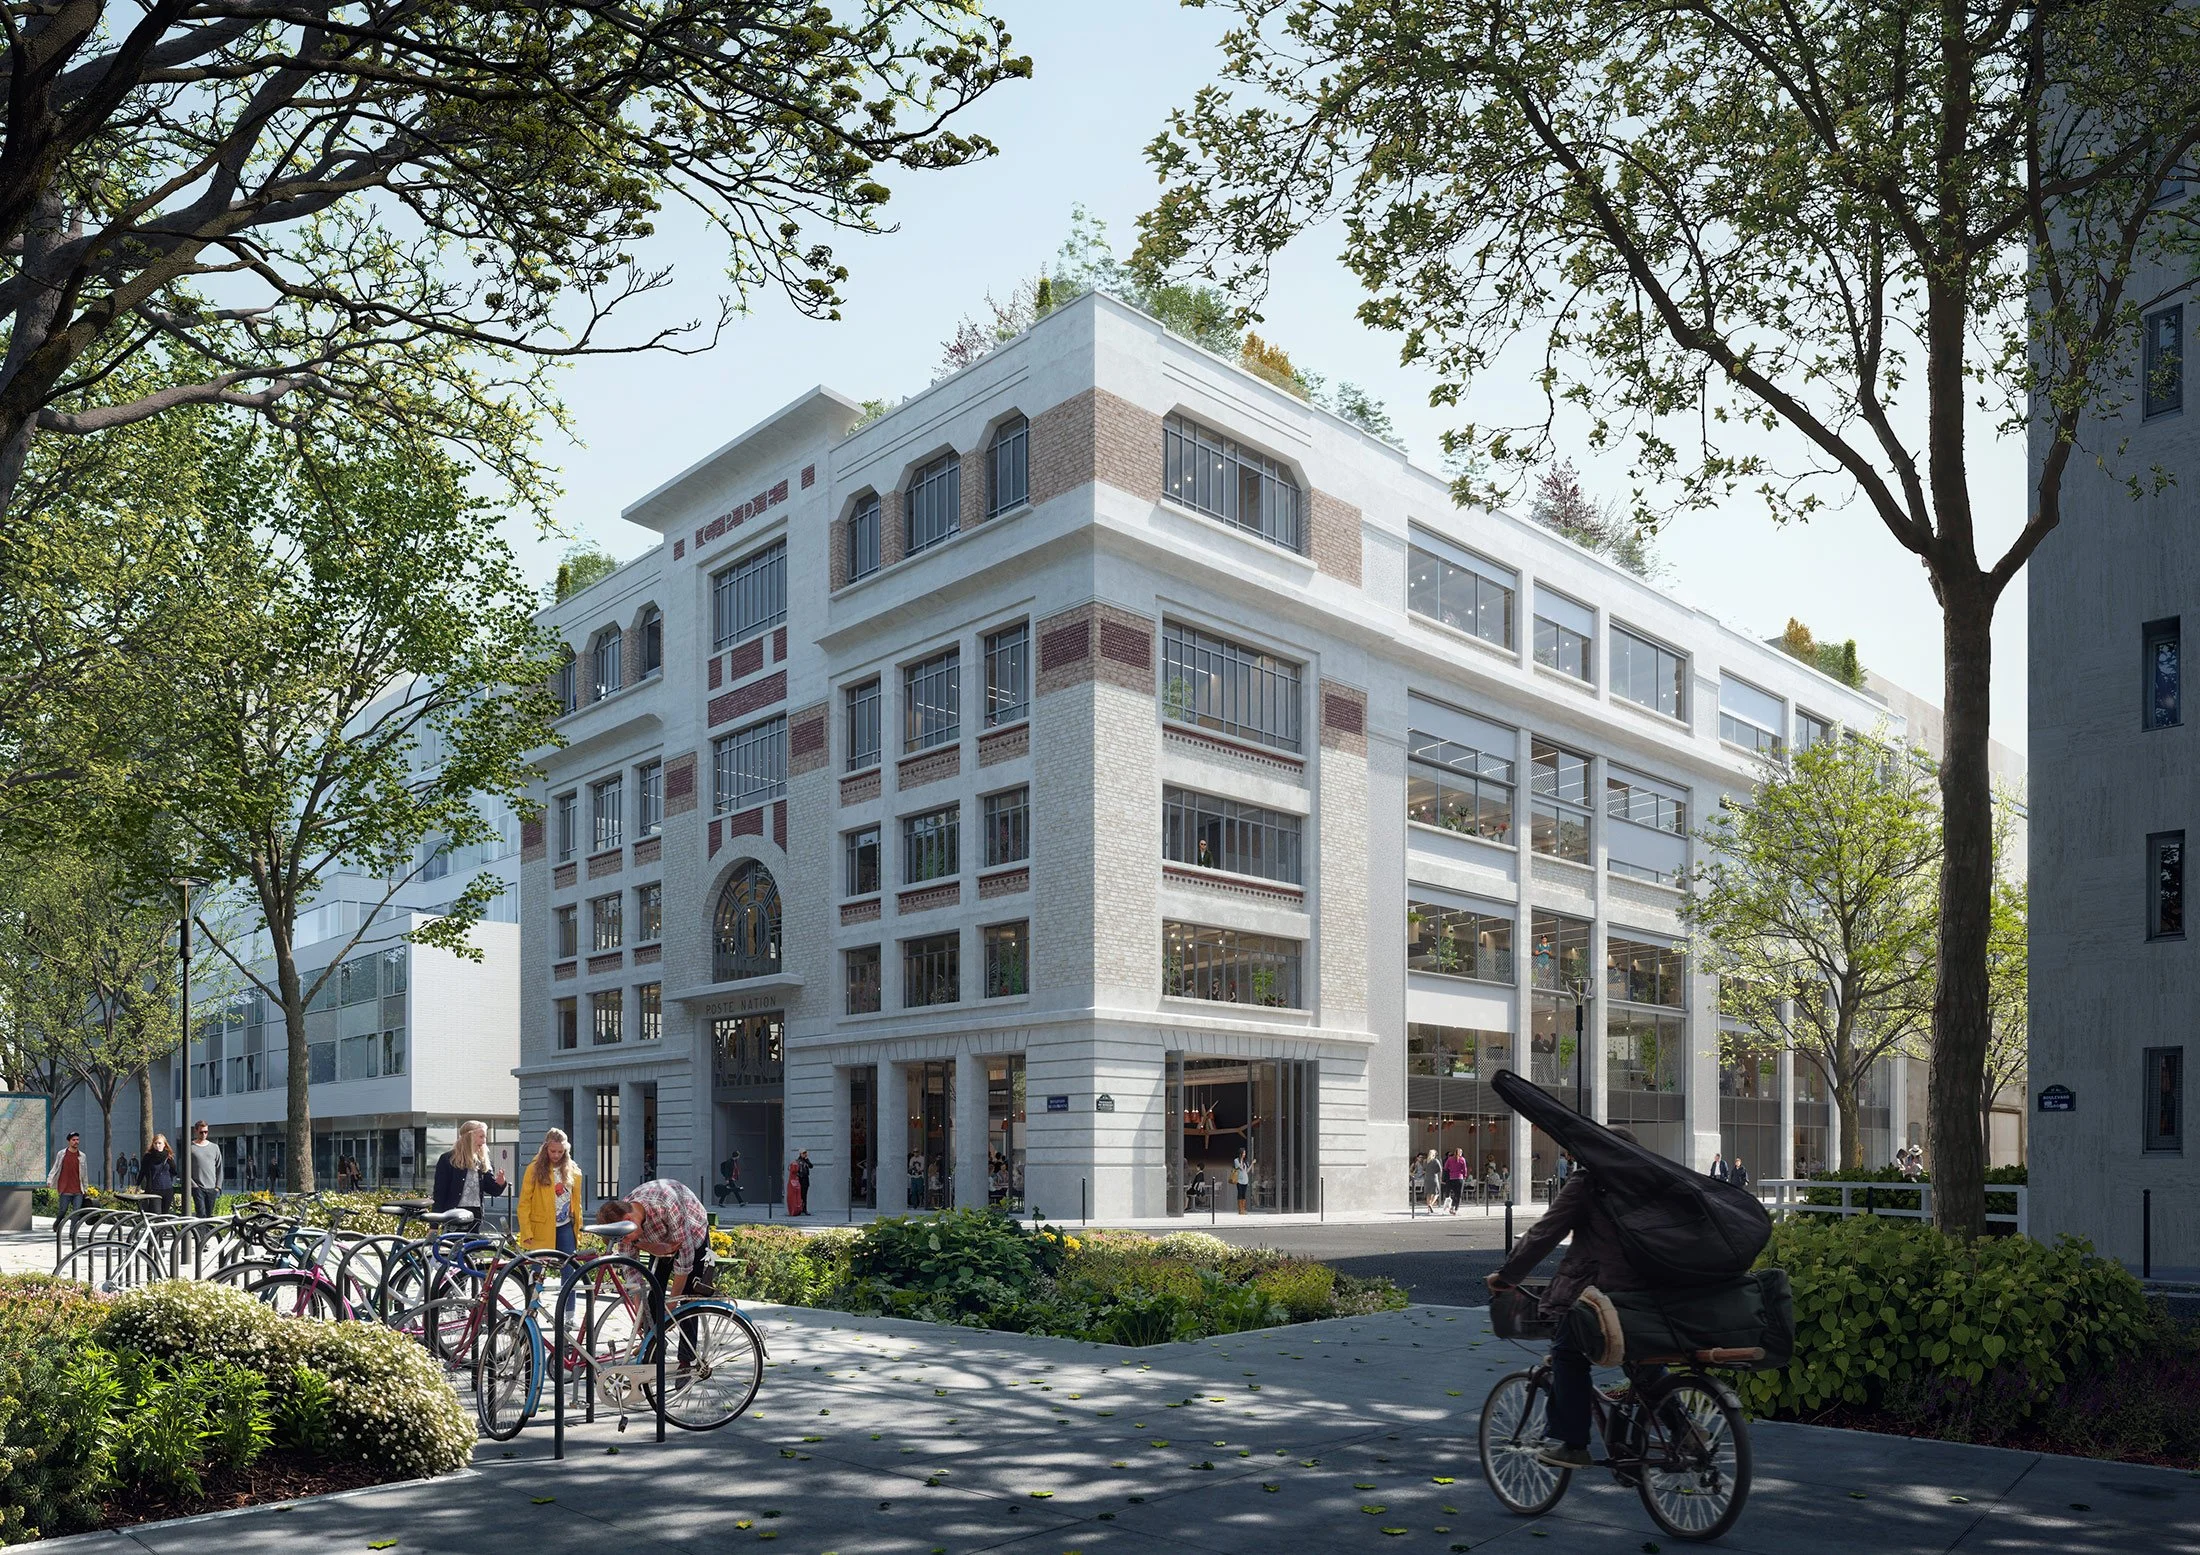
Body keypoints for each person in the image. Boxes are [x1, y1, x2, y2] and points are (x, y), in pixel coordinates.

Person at [1486, 1126, 1656, 1471]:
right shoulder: (1651, 1184)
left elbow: (1544, 1234)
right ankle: (1685, 1430)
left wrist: (1507, 1276)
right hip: (1650, 1293)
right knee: (1645, 1359)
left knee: (1567, 1352)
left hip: (1599, 1294)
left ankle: (1573, 1444)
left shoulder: (1589, 1183)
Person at [591, 1176, 710, 1307]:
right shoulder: (621, 1220)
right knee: (654, 1296)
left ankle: (687, 1316)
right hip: (657, 1237)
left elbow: (684, 1261)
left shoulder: (666, 1204)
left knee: (687, 1300)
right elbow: (630, 1268)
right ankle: (654, 1318)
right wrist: (639, 1309)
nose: (625, 1242)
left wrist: (672, 1303)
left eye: (624, 1238)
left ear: (629, 1220)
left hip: (693, 1228)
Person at [518, 1127, 585, 1253]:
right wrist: (526, 1231)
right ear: (545, 1148)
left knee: (569, 1263)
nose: (556, 1155)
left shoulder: (573, 1170)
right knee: (540, 1264)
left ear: (566, 1150)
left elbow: (577, 1204)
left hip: (565, 1226)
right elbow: (524, 1203)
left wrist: (579, 1227)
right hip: (541, 1228)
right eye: (552, 1151)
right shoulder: (533, 1168)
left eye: (560, 1151)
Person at [431, 1119, 508, 1224]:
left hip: (475, 1216)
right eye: (481, 1136)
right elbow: (439, 1194)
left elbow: (494, 1191)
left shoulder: (482, 1161)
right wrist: (434, 1225)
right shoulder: (448, 1159)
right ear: (469, 1137)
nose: (484, 1141)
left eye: (485, 1137)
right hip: (453, 1215)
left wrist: (501, 1183)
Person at [46, 1132, 86, 1218]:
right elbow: (55, 1168)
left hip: (78, 1190)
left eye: (77, 1140)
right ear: (69, 1141)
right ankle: (57, 1224)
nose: (76, 1142)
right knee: (62, 1211)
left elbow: (84, 1174)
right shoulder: (61, 1154)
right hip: (65, 1189)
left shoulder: (82, 1156)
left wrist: (85, 1188)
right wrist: (49, 1179)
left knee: (76, 1212)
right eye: (73, 1140)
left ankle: (73, 1228)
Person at [188, 1122, 223, 1218]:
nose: (204, 1134)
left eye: (206, 1132)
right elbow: (184, 1169)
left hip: (212, 1188)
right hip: (198, 1187)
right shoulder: (190, 1147)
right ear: (196, 1131)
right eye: (201, 1132)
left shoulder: (214, 1147)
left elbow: (219, 1167)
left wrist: (218, 1187)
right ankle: (201, 1229)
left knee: (209, 1215)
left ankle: (207, 1228)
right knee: (201, 1213)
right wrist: (194, 1185)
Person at [140, 1134, 178, 1211]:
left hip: (167, 1189)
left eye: (159, 1143)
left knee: (165, 1214)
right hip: (154, 1190)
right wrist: (137, 1184)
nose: (157, 1145)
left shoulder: (168, 1157)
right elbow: (142, 1171)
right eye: (155, 1143)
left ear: (164, 1144)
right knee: (156, 1213)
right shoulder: (148, 1157)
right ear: (153, 1144)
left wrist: (168, 1178)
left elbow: (174, 1171)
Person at [1443, 1148, 1468, 1213]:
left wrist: (1451, 1170)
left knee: (1455, 1193)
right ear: (1461, 1153)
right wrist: (1465, 1176)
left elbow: (1445, 1167)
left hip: (1452, 1178)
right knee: (1459, 1194)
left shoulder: (1450, 1159)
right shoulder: (1462, 1159)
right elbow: (1464, 1169)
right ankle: (1455, 1208)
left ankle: (1452, 1207)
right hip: (1459, 1178)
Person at [1233, 1148, 1253, 1215]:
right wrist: (1241, 1160)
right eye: (1243, 1153)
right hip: (1239, 1179)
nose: (1244, 1154)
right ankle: (1240, 1209)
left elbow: (1247, 1171)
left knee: (1244, 1194)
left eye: (1245, 1153)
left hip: (1245, 1180)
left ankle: (1243, 1209)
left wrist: (1252, 1164)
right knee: (1240, 1193)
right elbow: (1240, 1168)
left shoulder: (1245, 1161)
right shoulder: (1236, 1160)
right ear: (1240, 1153)